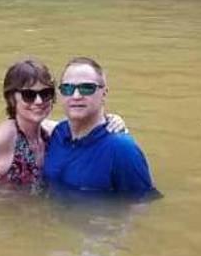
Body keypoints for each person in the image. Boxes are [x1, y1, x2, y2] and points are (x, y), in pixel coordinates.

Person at [0, 59, 124, 187]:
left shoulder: (53, 132)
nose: (38, 101)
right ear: (12, 98)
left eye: (45, 93)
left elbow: (85, 128)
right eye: (28, 95)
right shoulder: (3, 138)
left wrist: (112, 120)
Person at [43, 57, 158, 197]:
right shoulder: (58, 134)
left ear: (104, 93)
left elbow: (141, 203)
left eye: (87, 88)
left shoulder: (122, 149)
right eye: (67, 88)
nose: (76, 96)